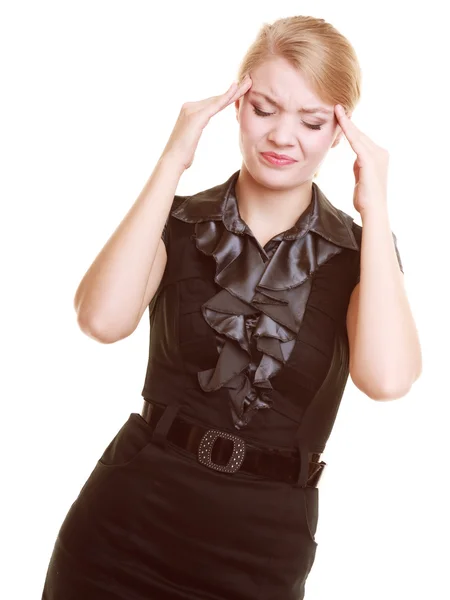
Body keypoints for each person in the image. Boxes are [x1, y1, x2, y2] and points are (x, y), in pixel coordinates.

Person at [41, 14, 422, 600]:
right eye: (264, 108)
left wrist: (378, 212)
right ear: (236, 103)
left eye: (312, 120)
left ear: (339, 132)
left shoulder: (361, 254)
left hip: (260, 560)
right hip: (121, 535)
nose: (282, 136)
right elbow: (101, 319)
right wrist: (173, 161)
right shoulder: (178, 221)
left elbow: (388, 378)